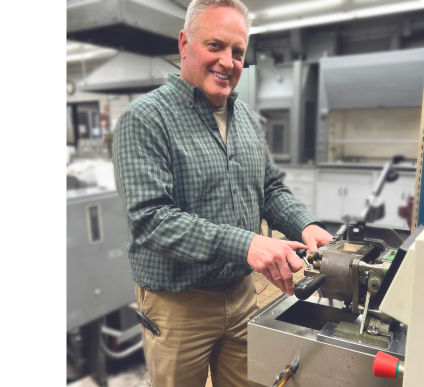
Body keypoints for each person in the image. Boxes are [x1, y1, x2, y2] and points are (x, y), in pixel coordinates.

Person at [112, 0, 333, 385]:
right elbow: (151, 219)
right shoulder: (146, 119)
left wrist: (306, 225)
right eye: (215, 46)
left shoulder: (245, 117)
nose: (228, 62)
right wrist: (248, 244)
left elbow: (268, 189)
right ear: (184, 43)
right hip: (178, 303)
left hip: (244, 294)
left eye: (237, 52)